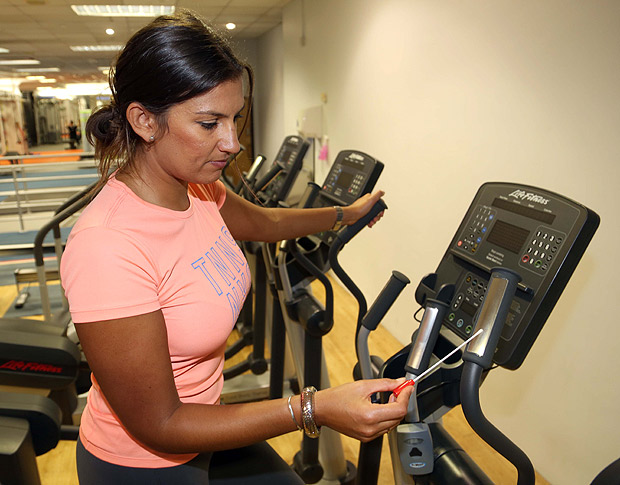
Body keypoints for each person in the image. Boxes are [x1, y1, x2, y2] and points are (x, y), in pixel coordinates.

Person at [60, 10, 412, 484]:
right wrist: (315, 407)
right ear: (144, 120)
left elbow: (265, 220)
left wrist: (346, 214)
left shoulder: (198, 189)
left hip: (204, 427)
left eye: (235, 119)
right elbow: (160, 423)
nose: (232, 143)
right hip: (143, 462)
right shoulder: (107, 246)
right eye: (209, 124)